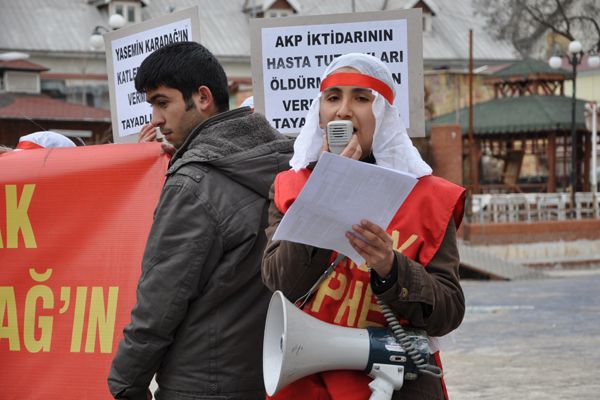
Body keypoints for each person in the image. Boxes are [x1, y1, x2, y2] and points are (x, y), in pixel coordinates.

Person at [261, 53, 466, 400]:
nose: (342, 111)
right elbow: (280, 282)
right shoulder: (291, 187)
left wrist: (391, 267)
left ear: (383, 114)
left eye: (360, 98)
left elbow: (448, 311)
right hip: (309, 383)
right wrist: (325, 195)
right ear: (320, 111)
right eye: (332, 98)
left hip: (397, 387)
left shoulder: (430, 198)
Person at [108, 41, 294, 400]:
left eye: (163, 103)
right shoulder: (286, 163)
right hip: (273, 376)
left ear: (203, 98)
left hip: (199, 385)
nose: (156, 120)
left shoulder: (193, 184)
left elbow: (160, 300)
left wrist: (125, 384)